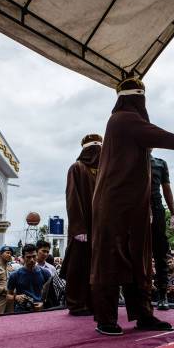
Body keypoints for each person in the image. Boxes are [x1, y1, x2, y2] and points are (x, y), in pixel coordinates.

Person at [90, 76, 174, 336]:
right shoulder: (124, 120)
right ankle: (106, 318)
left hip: (134, 206)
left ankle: (144, 314)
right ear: (136, 99)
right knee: (111, 259)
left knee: (139, 260)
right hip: (114, 204)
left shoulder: (124, 123)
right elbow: (165, 137)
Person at [61, 134, 102, 316]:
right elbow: (72, 198)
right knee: (79, 266)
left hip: (101, 229)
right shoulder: (77, 168)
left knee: (98, 268)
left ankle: (95, 303)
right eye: (93, 147)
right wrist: (78, 228)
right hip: (83, 228)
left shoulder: (105, 171)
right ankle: (76, 304)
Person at [149, 155, 174, 310]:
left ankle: (162, 294)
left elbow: (166, 187)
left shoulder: (160, 163)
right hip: (136, 209)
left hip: (157, 208)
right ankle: (142, 295)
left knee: (160, 254)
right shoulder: (129, 159)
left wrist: (173, 213)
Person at [7, 244, 51, 313]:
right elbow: (8, 295)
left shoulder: (45, 273)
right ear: (23, 258)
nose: (32, 260)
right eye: (28, 257)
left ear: (37, 256)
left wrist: (43, 303)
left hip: (40, 311)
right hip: (21, 311)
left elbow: (51, 295)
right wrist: (16, 297)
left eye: (34, 256)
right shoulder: (15, 275)